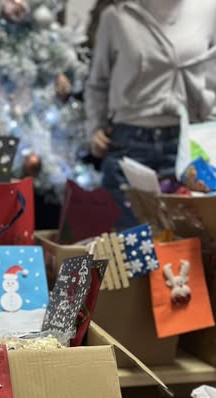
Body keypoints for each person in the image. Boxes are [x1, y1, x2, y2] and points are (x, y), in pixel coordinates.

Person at [84, 0, 216, 229]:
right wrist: (95, 127)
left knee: (190, 244)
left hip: (189, 145)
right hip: (129, 146)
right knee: (130, 244)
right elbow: (97, 83)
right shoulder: (117, 15)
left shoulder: (208, 10)